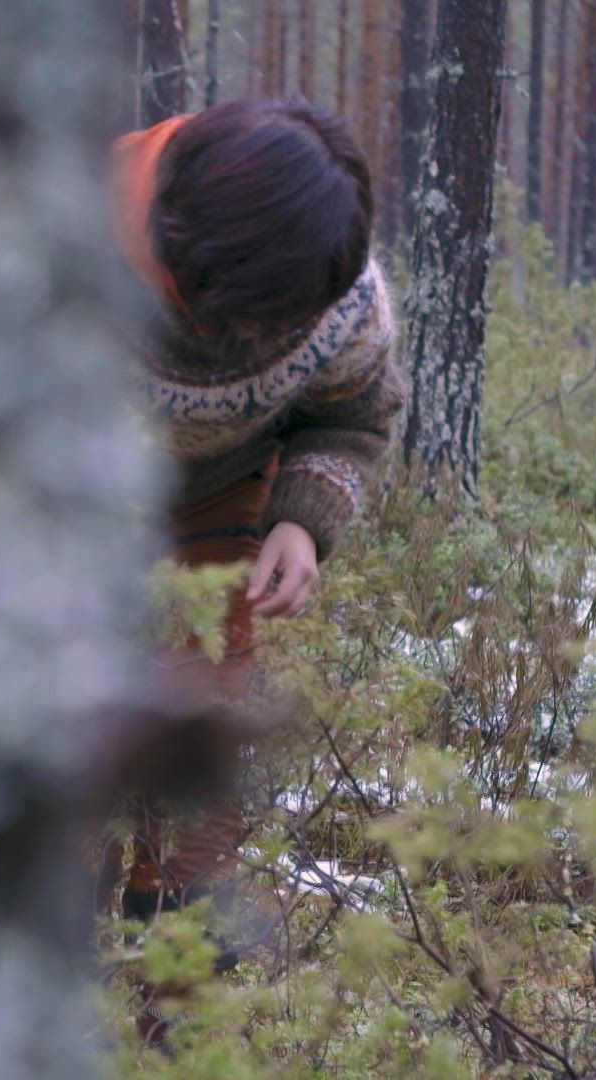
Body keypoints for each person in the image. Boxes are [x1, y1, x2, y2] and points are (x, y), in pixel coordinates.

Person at [109, 98, 408, 927]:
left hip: (215, 487)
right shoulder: (58, 242)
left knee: (202, 727)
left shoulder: (336, 293)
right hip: (46, 506)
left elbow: (353, 415)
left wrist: (302, 520)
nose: (277, 337)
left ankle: (177, 954)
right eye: (260, 321)